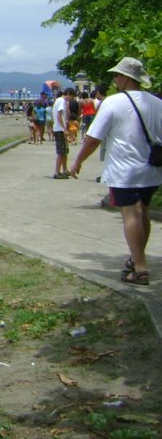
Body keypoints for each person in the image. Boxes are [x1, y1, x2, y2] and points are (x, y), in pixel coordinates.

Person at [70, 57, 162, 286]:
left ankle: (140, 268)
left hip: (125, 170)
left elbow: (93, 138)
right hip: (152, 169)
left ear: (125, 78)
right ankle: (135, 258)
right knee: (142, 213)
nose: (115, 79)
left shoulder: (113, 102)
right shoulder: (157, 103)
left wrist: (78, 161)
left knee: (130, 215)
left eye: (117, 75)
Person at [52, 87, 74, 179]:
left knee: (64, 151)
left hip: (59, 129)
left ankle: (65, 170)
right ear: (68, 93)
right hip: (59, 129)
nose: (71, 99)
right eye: (71, 97)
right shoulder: (61, 101)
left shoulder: (59, 101)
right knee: (61, 152)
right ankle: (57, 172)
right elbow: (59, 115)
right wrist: (64, 128)